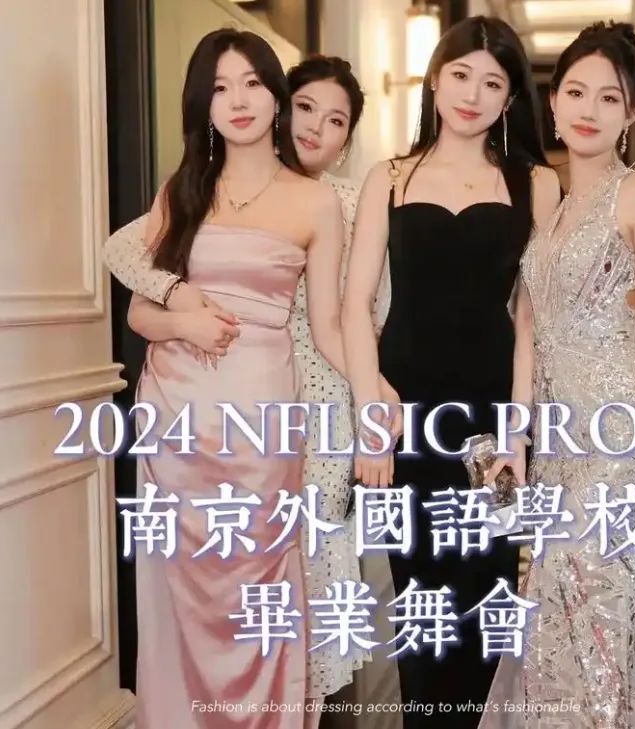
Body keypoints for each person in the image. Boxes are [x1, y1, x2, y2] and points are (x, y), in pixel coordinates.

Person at [103, 54, 393, 720]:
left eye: (252, 83)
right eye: (219, 88)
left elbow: (329, 326)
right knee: (182, 597)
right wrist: (185, 314)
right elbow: (139, 312)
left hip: (262, 424)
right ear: (202, 104)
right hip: (175, 422)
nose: (237, 100)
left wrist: (374, 389)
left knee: (258, 584)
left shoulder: (316, 201)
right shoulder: (184, 188)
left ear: (275, 95)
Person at [341, 16, 560, 729]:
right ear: (435, 79)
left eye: (492, 83)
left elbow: (530, 321)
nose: (472, 94)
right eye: (461, 75)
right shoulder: (390, 177)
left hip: (490, 420)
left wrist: (518, 434)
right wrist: (371, 418)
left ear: (510, 98)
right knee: (421, 605)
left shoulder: (536, 183)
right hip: (406, 417)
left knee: (483, 598)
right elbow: (353, 307)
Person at [481, 21, 635, 729]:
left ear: (630, 114)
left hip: (618, 435)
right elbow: (527, 336)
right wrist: (515, 439)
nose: (588, 109)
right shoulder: (550, 209)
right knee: (555, 611)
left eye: (608, 97)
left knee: (602, 603)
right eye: (574, 92)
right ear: (554, 101)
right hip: (557, 445)